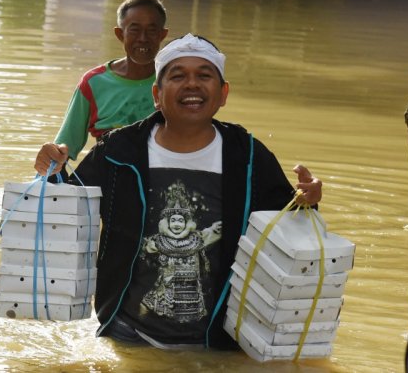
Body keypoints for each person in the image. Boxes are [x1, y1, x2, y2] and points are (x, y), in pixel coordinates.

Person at [37, 33, 323, 350]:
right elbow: (70, 211)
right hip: (129, 332)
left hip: (217, 338)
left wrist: (305, 204)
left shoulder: (248, 156)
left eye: (204, 75)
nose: (191, 84)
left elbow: (284, 234)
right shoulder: (120, 149)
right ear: (157, 94)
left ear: (223, 93)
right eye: (178, 76)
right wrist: (54, 170)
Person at [35, 0, 169, 173]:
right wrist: (50, 156)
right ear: (120, 34)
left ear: (162, 35)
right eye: (134, 30)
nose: (143, 38)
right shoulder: (94, 83)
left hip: (162, 175)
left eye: (151, 30)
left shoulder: (174, 80)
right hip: (109, 179)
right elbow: (65, 145)